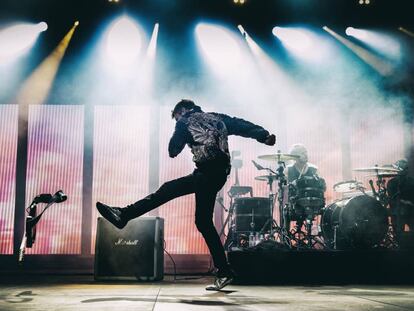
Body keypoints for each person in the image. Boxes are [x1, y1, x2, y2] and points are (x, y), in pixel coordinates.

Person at [96, 99, 276, 290]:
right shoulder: (218, 118)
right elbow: (242, 125)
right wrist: (263, 136)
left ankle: (224, 270)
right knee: (187, 207)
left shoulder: (184, 121)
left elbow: (173, 150)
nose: (177, 121)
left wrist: (179, 133)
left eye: (176, 117)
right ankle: (124, 214)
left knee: (191, 211)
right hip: (215, 174)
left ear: (181, 111)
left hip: (207, 174)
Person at [387, 159, 414, 241]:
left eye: (407, 168)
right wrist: (406, 202)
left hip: (410, 212)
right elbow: (392, 199)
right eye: (404, 168)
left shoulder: (411, 181)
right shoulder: (392, 183)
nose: (406, 171)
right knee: (398, 235)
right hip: (397, 212)